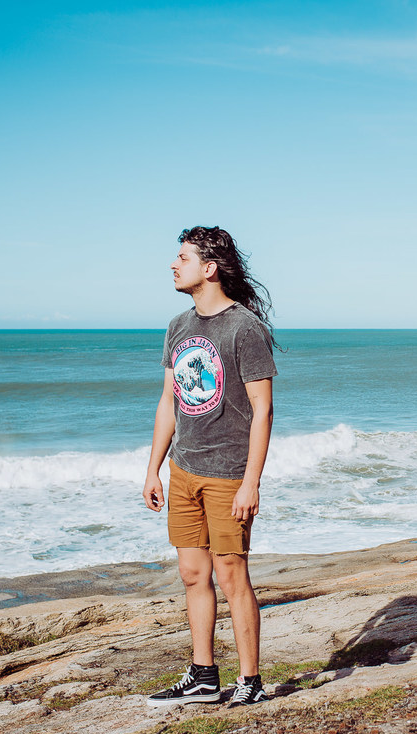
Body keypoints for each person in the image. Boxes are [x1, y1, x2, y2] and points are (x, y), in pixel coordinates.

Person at [142, 226, 277, 707]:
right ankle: (202, 674)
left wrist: (250, 484)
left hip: (228, 475)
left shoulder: (244, 328)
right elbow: (168, 402)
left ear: (209, 268)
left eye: (182, 257)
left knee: (232, 576)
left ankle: (250, 681)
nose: (173, 265)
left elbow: (263, 410)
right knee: (193, 575)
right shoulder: (178, 325)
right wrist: (153, 468)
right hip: (184, 471)